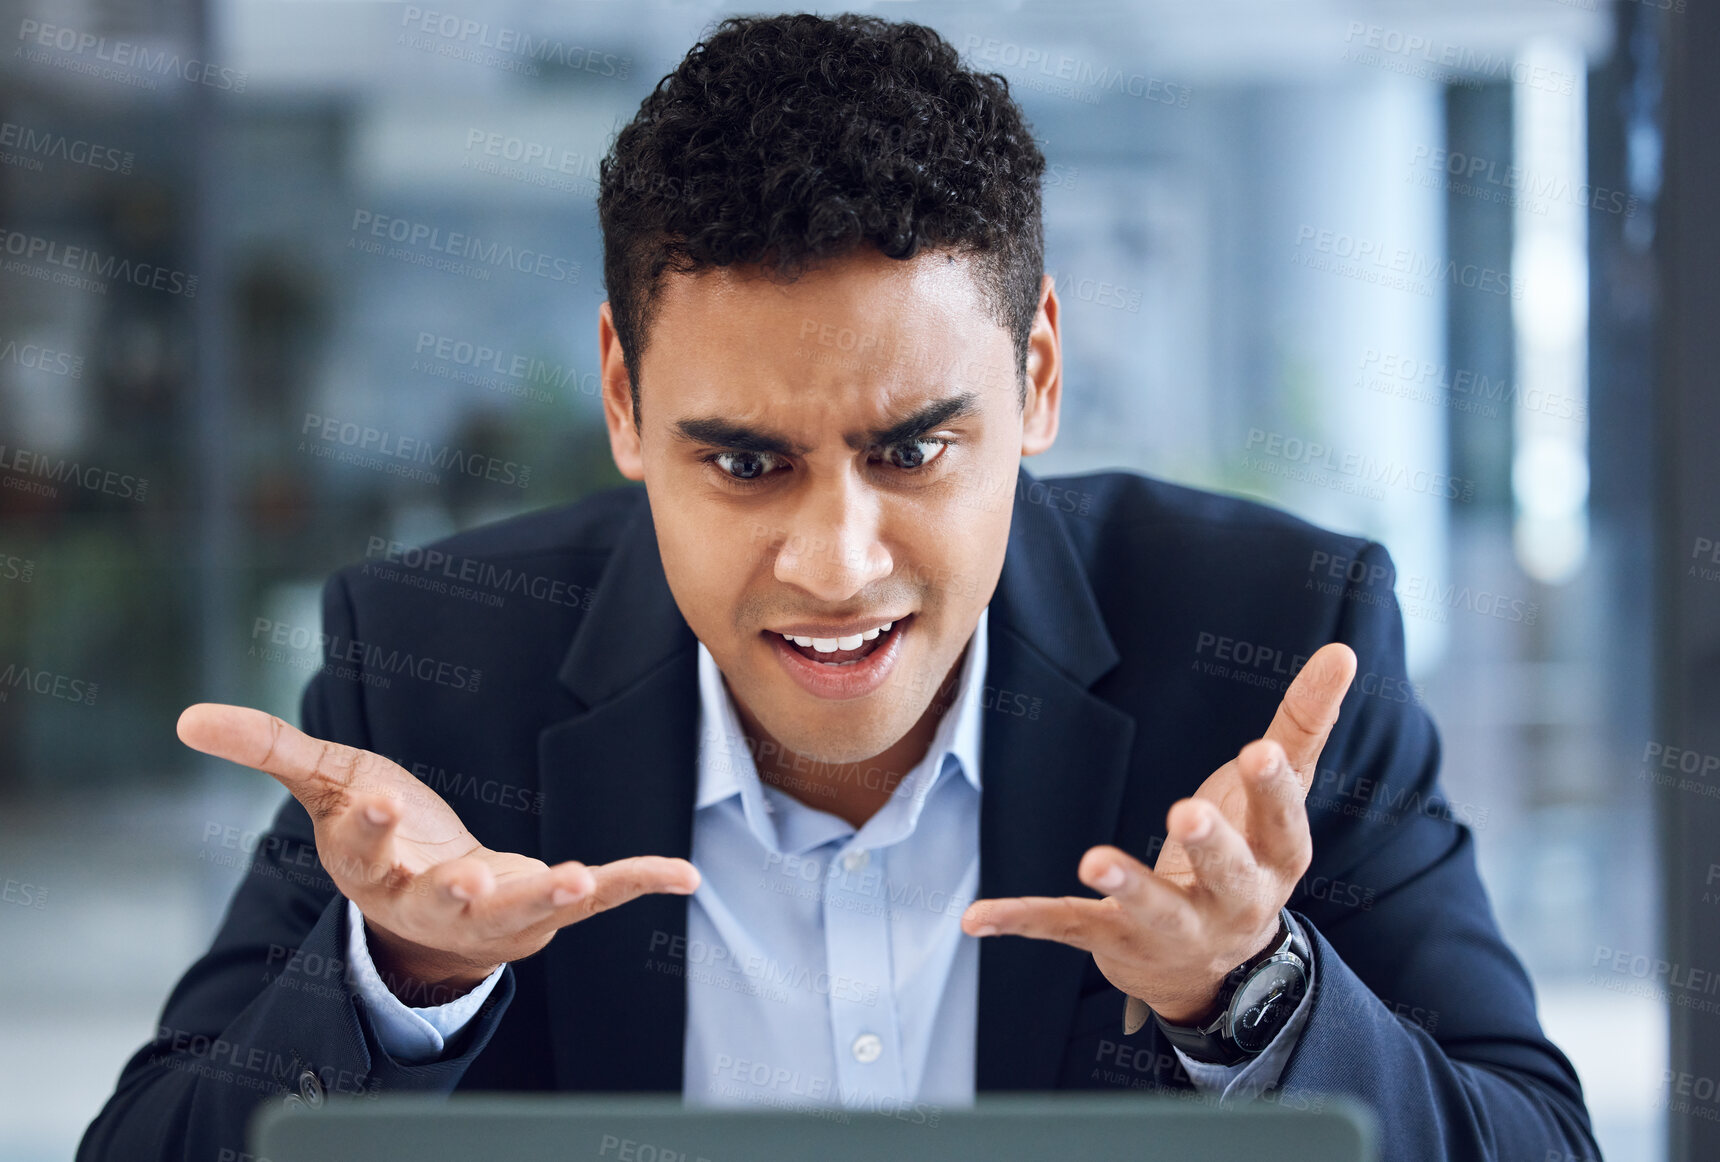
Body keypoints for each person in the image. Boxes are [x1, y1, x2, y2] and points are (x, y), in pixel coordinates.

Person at [79, 13, 1599, 1161]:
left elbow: (1539, 1140)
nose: (836, 561)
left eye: (917, 450)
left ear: (1040, 374)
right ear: (622, 399)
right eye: (744, 464)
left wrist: (1251, 996)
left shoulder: (1275, 651)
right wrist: (402, 974)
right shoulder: (430, 670)